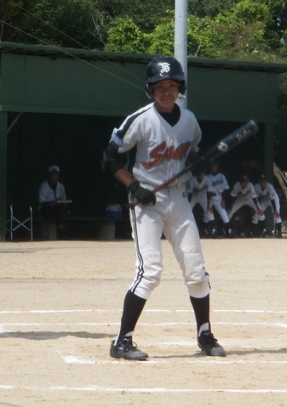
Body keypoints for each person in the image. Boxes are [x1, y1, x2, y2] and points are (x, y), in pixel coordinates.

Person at [102, 55, 225, 360]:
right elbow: (110, 159)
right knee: (150, 272)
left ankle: (205, 334)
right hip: (146, 202)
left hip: (179, 199)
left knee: (196, 270)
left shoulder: (190, 121)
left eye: (172, 86)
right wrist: (134, 187)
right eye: (159, 86)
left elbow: (192, 153)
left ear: (180, 87)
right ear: (150, 89)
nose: (166, 91)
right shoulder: (139, 120)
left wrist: (198, 163)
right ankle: (121, 342)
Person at [38, 165, 70, 231]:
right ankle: (61, 227)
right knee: (59, 210)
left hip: (59, 209)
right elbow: (42, 202)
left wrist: (65, 203)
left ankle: (62, 227)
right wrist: (53, 203)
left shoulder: (61, 186)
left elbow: (64, 199)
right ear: (49, 175)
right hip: (47, 209)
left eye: (56, 174)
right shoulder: (43, 186)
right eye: (52, 174)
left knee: (62, 209)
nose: (54, 176)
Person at [205, 160, 231, 237]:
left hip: (218, 197)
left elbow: (225, 189)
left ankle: (228, 233)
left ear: (217, 167)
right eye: (212, 166)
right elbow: (207, 192)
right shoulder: (207, 177)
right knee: (207, 214)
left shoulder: (222, 176)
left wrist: (223, 200)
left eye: (214, 165)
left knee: (224, 215)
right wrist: (209, 205)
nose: (213, 167)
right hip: (209, 197)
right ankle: (209, 232)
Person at [186, 167, 213, 236]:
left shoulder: (208, 180)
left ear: (204, 173)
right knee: (187, 211)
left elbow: (209, 193)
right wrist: (188, 204)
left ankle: (211, 231)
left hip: (203, 197)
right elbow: (190, 194)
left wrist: (209, 206)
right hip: (194, 197)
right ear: (196, 174)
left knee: (209, 213)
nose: (200, 174)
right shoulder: (192, 180)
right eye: (199, 173)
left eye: (202, 173)